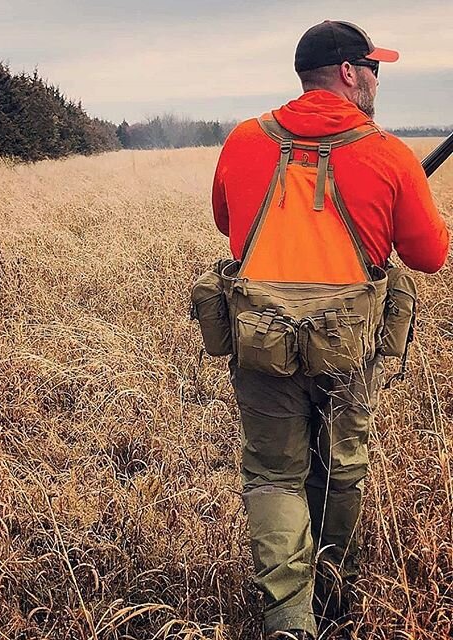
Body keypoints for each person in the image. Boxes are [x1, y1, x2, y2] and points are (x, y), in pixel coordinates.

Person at [211, 20, 449, 640]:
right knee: (342, 466)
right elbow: (429, 257)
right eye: (373, 67)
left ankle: (288, 617)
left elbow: (224, 221)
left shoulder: (242, 140)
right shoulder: (390, 154)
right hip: (349, 343)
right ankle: (334, 598)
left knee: (273, 473)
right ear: (348, 71)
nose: (376, 79)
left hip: (260, 341)